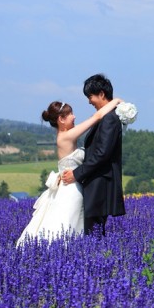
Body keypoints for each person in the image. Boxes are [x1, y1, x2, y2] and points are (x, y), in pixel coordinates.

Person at [16, 97, 122, 246]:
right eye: (71, 114)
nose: (74, 117)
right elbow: (96, 117)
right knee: (69, 223)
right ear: (61, 119)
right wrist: (115, 101)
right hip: (71, 189)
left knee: (68, 222)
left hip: (71, 184)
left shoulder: (64, 136)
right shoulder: (66, 136)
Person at [61, 74, 126, 236]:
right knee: (93, 231)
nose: (89, 101)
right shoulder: (106, 117)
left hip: (100, 185)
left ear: (102, 94)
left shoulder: (109, 119)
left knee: (93, 231)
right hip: (95, 183)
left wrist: (76, 174)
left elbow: (101, 154)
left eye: (90, 96)